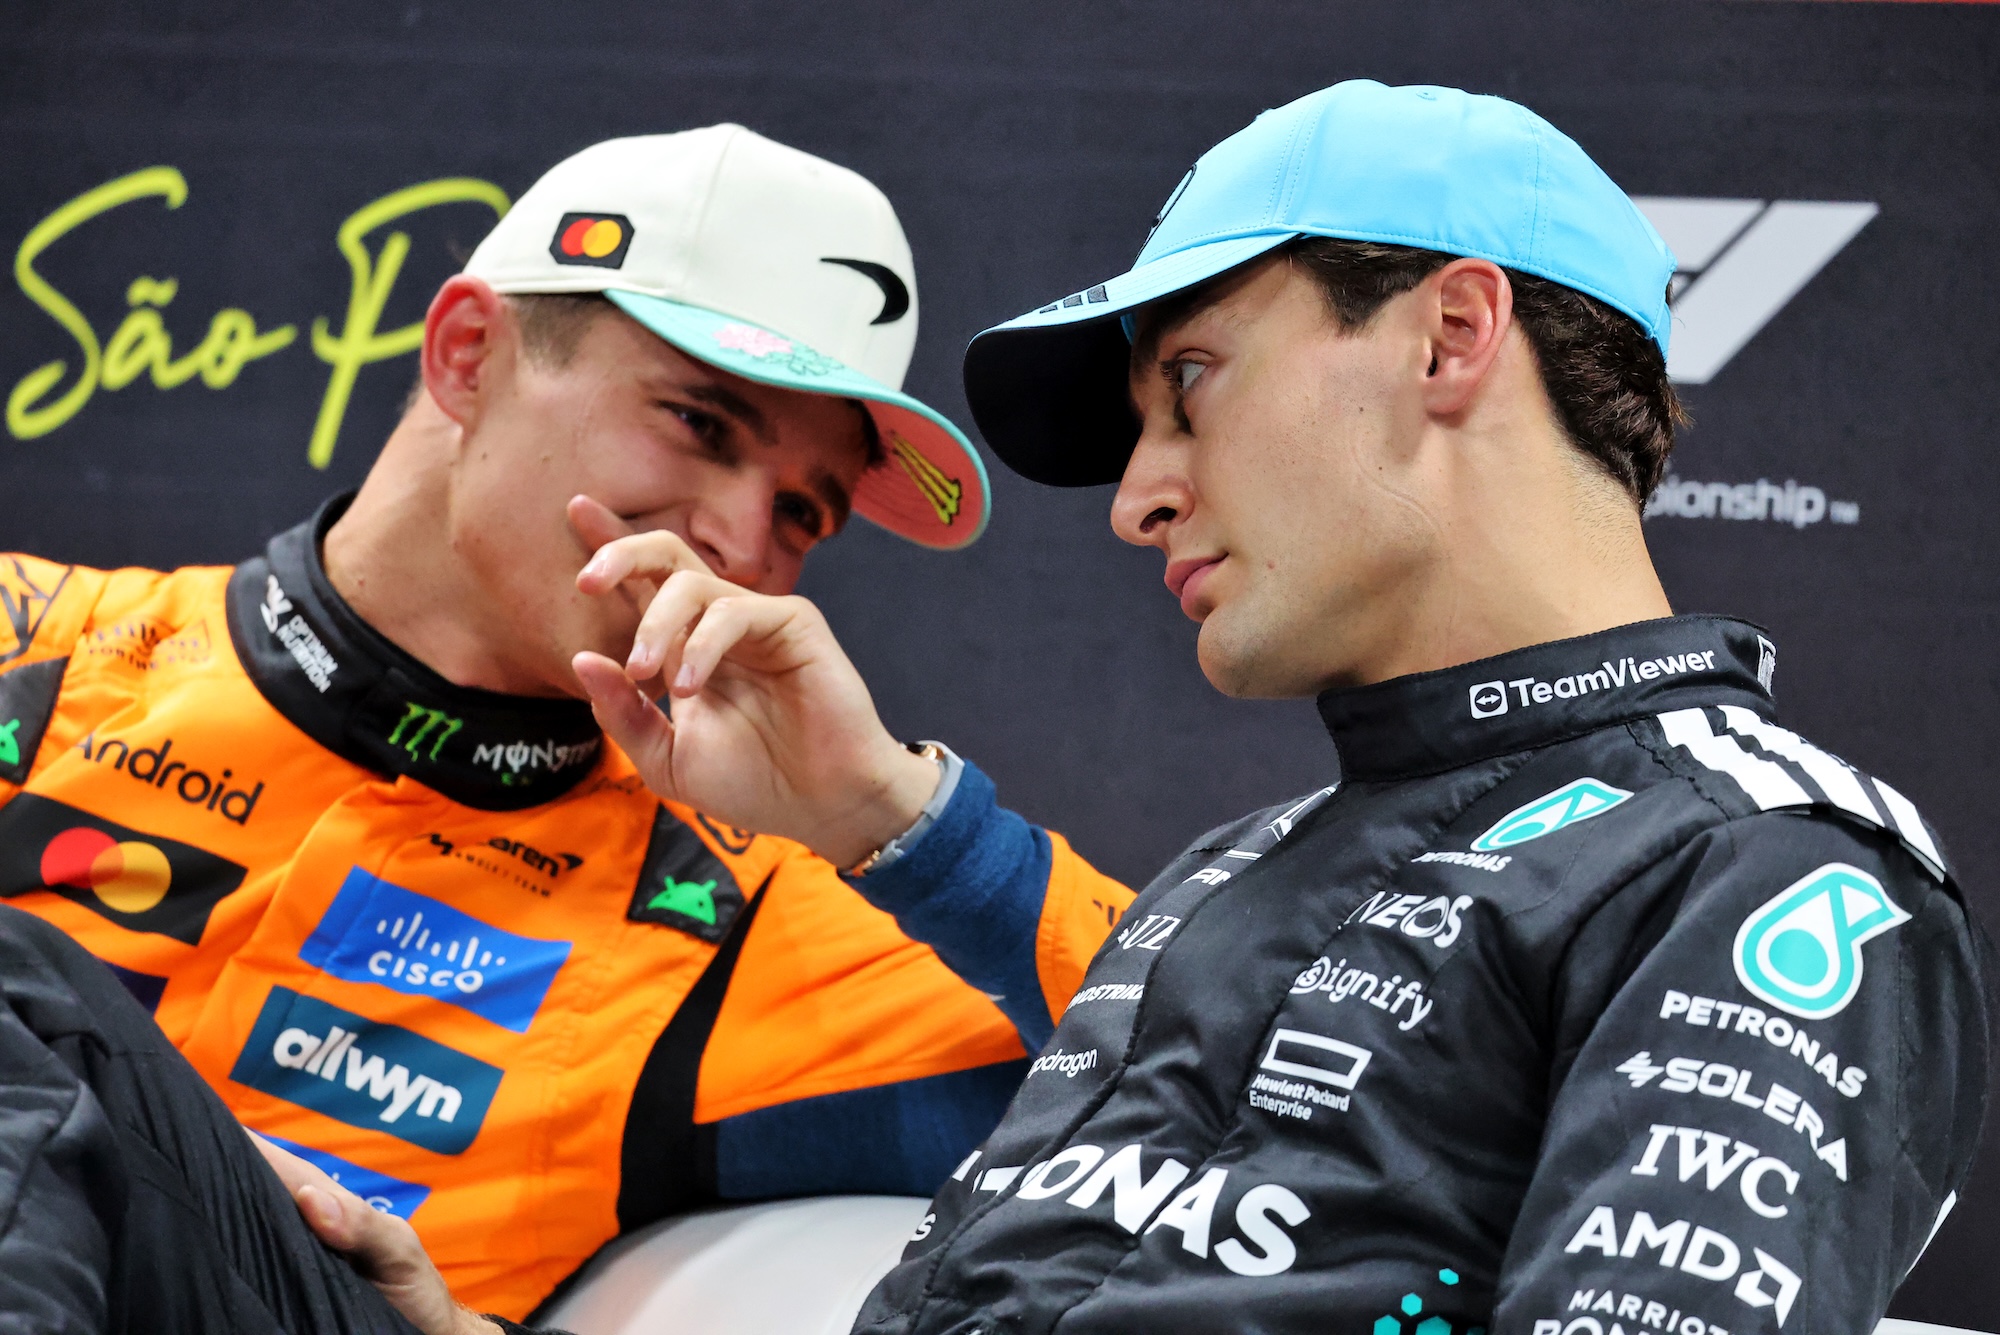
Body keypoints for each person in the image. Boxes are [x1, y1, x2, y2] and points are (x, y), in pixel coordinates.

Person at [561, 81, 1991, 1334]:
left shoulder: (1759, 870)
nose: (1137, 499)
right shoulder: (1234, 863)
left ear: (1450, 333)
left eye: (1189, 386)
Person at [0, 124, 1132, 1329]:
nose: (744, 546)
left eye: (802, 514)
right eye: (701, 423)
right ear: (467, 354)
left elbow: (1253, 1061)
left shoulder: (739, 907)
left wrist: (893, 818)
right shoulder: (38, 643)